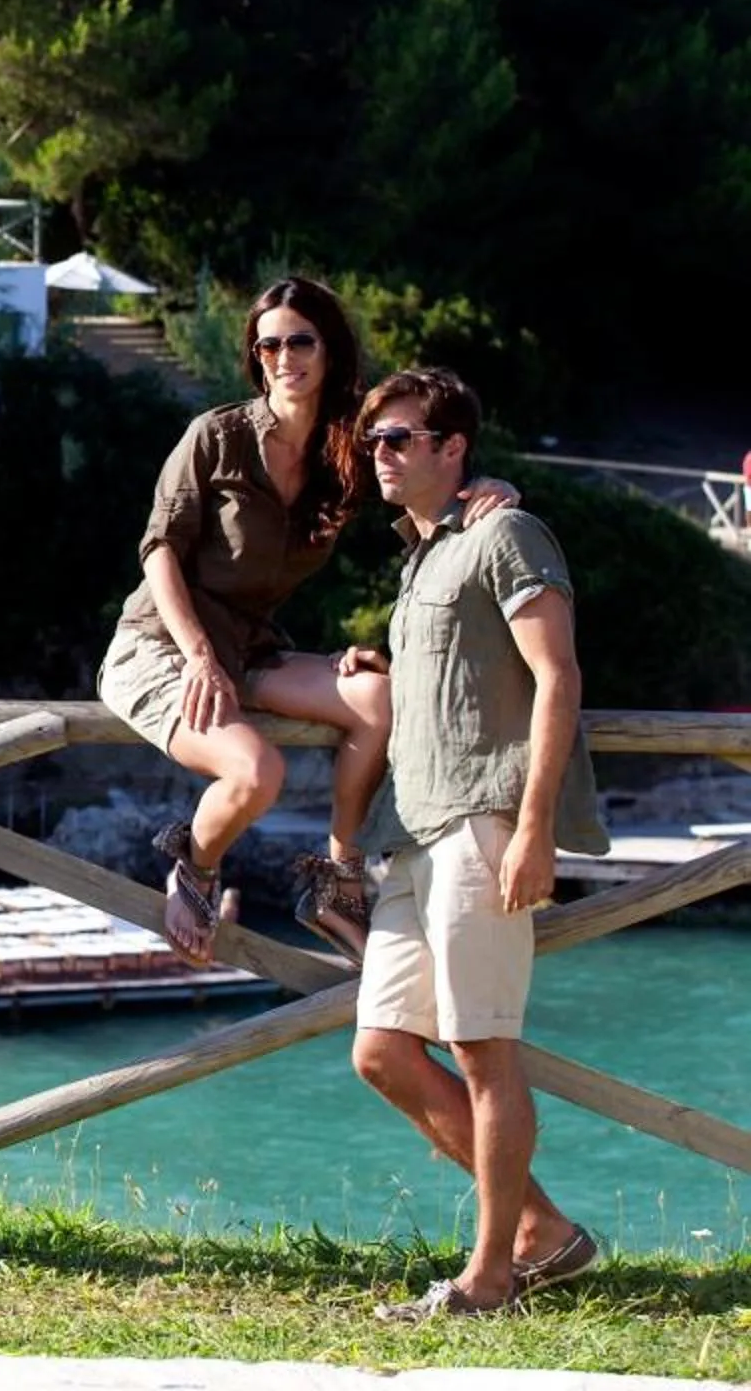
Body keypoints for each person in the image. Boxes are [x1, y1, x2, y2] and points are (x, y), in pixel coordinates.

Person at [95, 277, 511, 963]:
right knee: (256, 773)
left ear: (329, 348)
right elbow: (158, 552)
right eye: (268, 345)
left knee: (378, 698)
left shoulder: (348, 450)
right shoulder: (216, 437)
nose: (283, 357)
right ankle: (195, 868)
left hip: (252, 648)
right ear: (256, 357)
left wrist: (486, 490)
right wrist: (198, 654)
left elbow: (425, 492)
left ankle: (338, 883)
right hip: (162, 646)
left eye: (300, 341)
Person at [348, 366, 608, 1320]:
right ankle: (542, 1231)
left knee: (482, 1052)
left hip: (482, 823)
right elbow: (457, 674)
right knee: (381, 1050)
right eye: (375, 440)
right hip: (411, 830)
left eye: (399, 439)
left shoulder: (508, 532)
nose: (379, 455)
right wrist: (383, 664)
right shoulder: (422, 557)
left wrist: (534, 828)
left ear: (453, 449)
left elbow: (557, 676)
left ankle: (489, 1278)